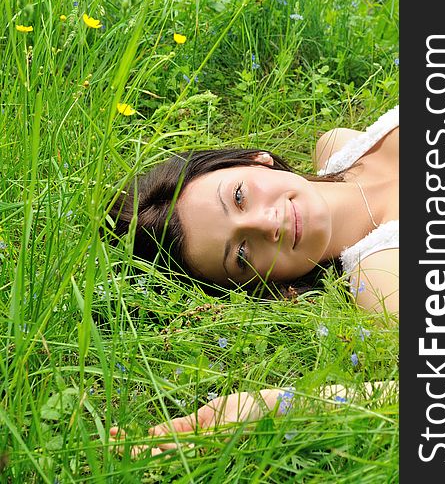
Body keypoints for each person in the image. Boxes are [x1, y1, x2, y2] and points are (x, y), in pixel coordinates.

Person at [107, 103, 399, 455]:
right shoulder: (381, 277)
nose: (266, 224)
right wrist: (282, 407)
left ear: (257, 159)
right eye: (242, 254)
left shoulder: (340, 144)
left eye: (239, 197)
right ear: (262, 284)